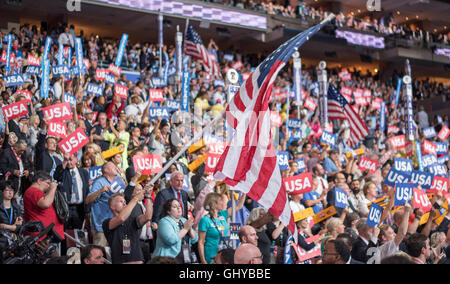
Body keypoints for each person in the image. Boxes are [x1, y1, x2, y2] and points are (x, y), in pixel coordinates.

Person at [102, 184, 153, 264]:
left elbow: (148, 217)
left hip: (138, 260)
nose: (124, 204)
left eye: (125, 201)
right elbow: (121, 218)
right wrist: (135, 198)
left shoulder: (132, 219)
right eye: (121, 201)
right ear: (112, 207)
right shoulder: (107, 222)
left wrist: (148, 196)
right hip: (121, 261)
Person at [85, 161, 127, 247]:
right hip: (101, 228)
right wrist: (101, 190)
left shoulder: (119, 181)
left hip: (117, 225)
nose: (116, 167)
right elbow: (87, 200)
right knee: (99, 253)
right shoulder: (99, 183)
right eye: (113, 166)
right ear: (106, 170)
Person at [22, 171, 65, 242]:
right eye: (48, 183)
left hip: (47, 237)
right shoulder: (33, 191)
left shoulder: (39, 192)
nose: (49, 185)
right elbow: (45, 203)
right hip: (40, 238)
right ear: (39, 181)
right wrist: (53, 188)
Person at [54, 152, 90, 231]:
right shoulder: (63, 171)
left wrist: (87, 210)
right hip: (66, 208)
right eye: (67, 160)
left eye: (70, 160)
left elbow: (86, 191)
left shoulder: (83, 172)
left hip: (79, 209)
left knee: (78, 233)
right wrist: (64, 161)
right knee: (65, 233)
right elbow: (57, 176)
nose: (69, 162)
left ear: (76, 159)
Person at [0, 180, 22, 249]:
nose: (10, 193)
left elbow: (20, 224)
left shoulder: (16, 207)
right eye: (7, 190)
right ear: (2, 191)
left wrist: (19, 224)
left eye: (12, 190)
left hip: (13, 241)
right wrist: (9, 227)